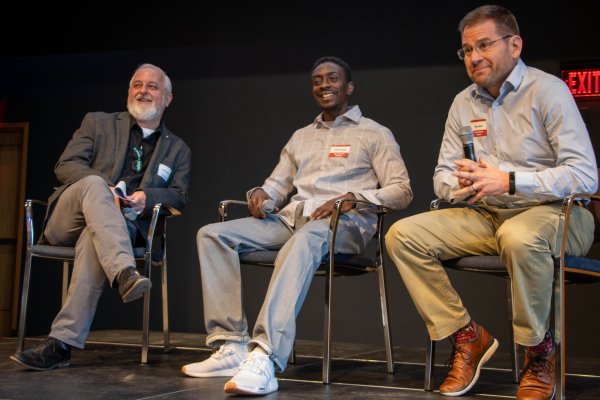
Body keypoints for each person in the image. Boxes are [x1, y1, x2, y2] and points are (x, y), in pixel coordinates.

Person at [385, 5, 597, 400]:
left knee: (519, 237)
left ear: (514, 45)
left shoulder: (548, 91)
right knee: (402, 235)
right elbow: (442, 174)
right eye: (466, 50)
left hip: (560, 214)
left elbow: (585, 175)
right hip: (487, 213)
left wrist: (509, 180)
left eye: (484, 45)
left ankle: (539, 351)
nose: (474, 57)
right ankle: (467, 337)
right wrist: (459, 185)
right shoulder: (462, 103)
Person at [182, 56, 412, 395]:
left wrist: (355, 196)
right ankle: (231, 345)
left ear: (349, 86)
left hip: (342, 226)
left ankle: (265, 356)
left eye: (332, 78)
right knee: (213, 235)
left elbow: (402, 190)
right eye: (317, 80)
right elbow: (277, 186)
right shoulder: (301, 136)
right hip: (292, 221)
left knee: (305, 239)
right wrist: (262, 193)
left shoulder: (374, 133)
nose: (324, 84)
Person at [10, 63, 191, 371]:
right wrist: (105, 189)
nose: (143, 91)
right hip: (70, 216)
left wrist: (148, 199)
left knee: (95, 241)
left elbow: (179, 195)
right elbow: (66, 165)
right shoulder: (97, 123)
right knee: (95, 186)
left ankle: (61, 344)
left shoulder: (178, 149)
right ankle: (124, 272)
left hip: (120, 226)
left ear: (168, 98)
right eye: (137, 85)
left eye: (152, 86)